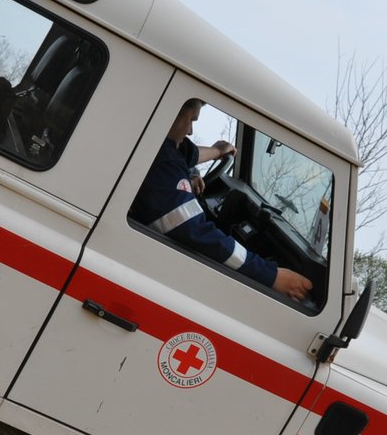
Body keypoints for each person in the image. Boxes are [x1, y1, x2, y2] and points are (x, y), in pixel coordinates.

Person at [131, 99, 314, 300]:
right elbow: (195, 231)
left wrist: (217, 152)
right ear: (171, 112)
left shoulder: (155, 140)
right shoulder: (164, 161)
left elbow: (187, 153)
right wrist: (271, 275)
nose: (191, 131)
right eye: (191, 119)